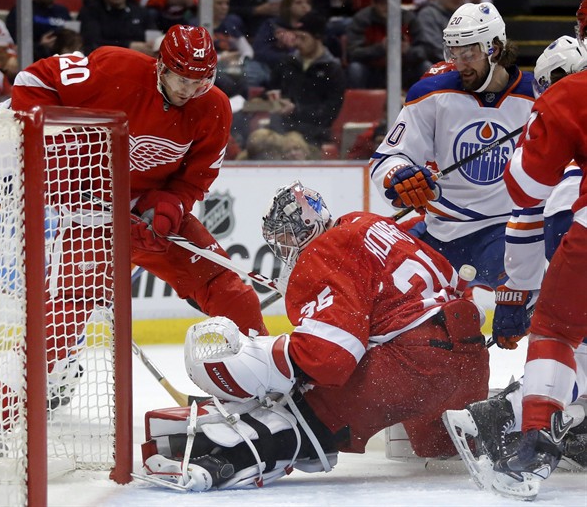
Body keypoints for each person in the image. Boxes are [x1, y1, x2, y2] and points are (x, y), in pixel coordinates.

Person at [0, 25, 268, 438]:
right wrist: (58, 159)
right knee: (64, 315)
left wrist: (170, 207)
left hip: (150, 222)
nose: (189, 90)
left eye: (201, 81)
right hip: (91, 218)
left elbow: (194, 179)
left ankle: (268, 390)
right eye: (181, 79)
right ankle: (1, 412)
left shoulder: (212, 107)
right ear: (161, 66)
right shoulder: (114, 67)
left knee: (229, 288)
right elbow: (33, 80)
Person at [136, 180, 489, 491]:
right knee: (438, 450)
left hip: (412, 368)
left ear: (307, 226)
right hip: (469, 362)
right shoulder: (370, 223)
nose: (286, 246)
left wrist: (258, 358)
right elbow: (454, 282)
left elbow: (330, 357)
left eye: (287, 236)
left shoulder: (326, 249)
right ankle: (506, 420)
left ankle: (218, 460)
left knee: (299, 413)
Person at [442, 34, 587, 500]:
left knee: (560, 334)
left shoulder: (568, 103)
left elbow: (525, 198)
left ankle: (528, 429)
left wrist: (514, 301)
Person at [369, 2, 536, 347]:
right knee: (381, 291)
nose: (459, 63)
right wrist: (400, 174)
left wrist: (521, 290)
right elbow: (387, 156)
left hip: (504, 234)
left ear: (495, 48)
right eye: (453, 52)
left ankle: (545, 391)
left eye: (469, 53)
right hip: (440, 232)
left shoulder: (537, 97)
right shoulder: (430, 94)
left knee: (545, 298)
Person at [266, 11, 345, 146]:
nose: (297, 43)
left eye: (303, 38)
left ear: (318, 38)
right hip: (281, 126)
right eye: (295, 37)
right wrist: (267, 99)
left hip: (314, 133)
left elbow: (328, 114)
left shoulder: (333, 70)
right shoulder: (287, 62)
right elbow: (271, 88)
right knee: (258, 139)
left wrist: (295, 110)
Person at [345, 0, 428, 89]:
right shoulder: (362, 20)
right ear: (373, 3)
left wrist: (407, 51)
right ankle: (359, 102)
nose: (387, 7)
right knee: (356, 69)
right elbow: (352, 52)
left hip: (404, 68)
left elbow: (424, 50)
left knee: (425, 67)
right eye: (382, 3)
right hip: (373, 69)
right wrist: (381, 48)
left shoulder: (409, 19)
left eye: (391, 3)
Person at [77, 0, 159, 56]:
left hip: (138, 62)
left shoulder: (142, 13)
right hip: (105, 63)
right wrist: (128, 46)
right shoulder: (90, 12)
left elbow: (154, 37)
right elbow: (92, 45)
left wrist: (153, 45)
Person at [5, 0, 72, 62]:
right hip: (32, 62)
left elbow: (72, 38)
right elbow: (15, 45)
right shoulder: (22, 11)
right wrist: (40, 45)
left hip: (60, 62)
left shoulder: (63, 12)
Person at [415, 0, 472, 67]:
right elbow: (434, 50)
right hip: (439, 68)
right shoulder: (428, 14)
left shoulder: (467, 17)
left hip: (465, 65)